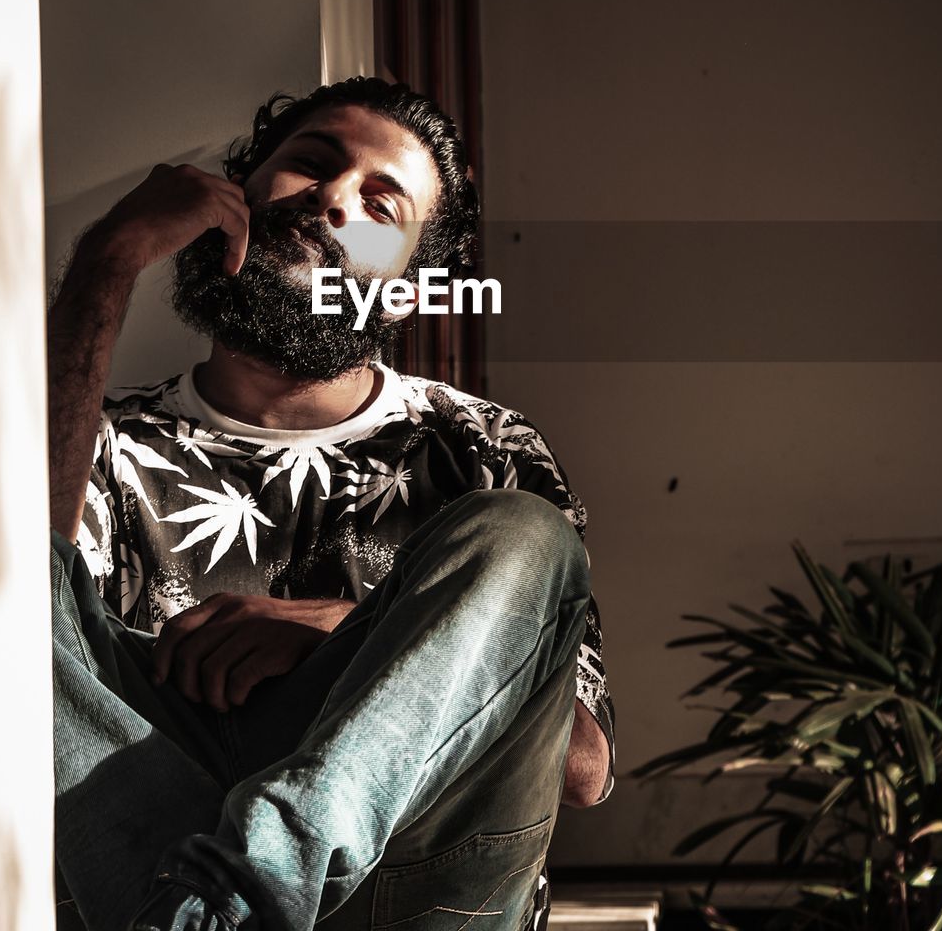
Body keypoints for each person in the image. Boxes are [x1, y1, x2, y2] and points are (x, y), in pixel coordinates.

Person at [48, 77, 615, 931]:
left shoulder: (481, 447)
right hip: (151, 856)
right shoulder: (107, 439)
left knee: (519, 532)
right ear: (233, 193)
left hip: (420, 888)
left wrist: (350, 632)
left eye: (381, 208)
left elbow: (580, 767)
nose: (332, 199)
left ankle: (246, 893)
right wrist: (109, 259)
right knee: (2, 562)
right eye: (311, 164)